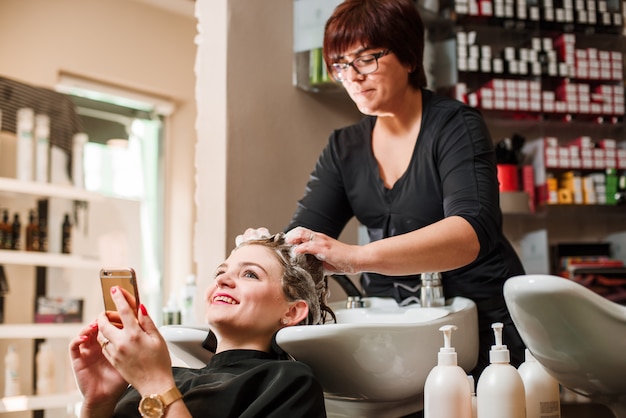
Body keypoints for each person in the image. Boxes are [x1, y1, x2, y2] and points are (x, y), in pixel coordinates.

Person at [239, 0, 525, 378]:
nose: (352, 76)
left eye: (367, 58)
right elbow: (302, 236)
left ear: (409, 57)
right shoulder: (344, 149)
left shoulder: (456, 125)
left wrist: (355, 256)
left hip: (484, 323)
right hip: (396, 325)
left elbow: (471, 231)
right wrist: (265, 250)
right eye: (340, 65)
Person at [69, 233, 332, 418]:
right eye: (220, 272)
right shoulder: (171, 375)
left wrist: (154, 383)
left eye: (250, 274)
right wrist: (98, 404)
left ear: (292, 311)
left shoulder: (288, 383)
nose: (224, 280)